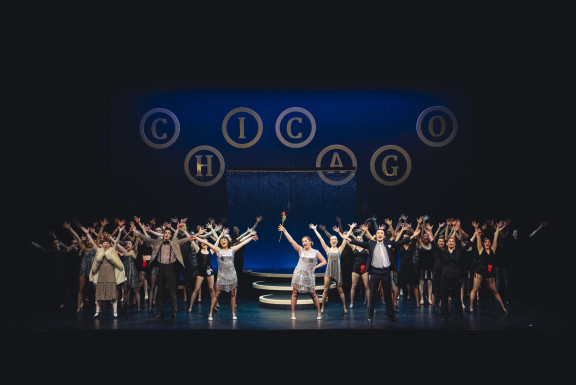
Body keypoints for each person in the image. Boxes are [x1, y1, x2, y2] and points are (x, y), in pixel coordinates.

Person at [340, 223, 418, 323]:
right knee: (373, 295)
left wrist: (412, 236)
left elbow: (399, 242)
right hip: (375, 272)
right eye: (378, 233)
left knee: (388, 295)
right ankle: (370, 316)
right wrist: (348, 238)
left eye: (382, 233)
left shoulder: (388, 243)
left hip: (386, 272)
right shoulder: (371, 244)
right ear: (376, 236)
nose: (380, 234)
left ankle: (391, 315)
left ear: (384, 235)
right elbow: (359, 243)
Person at [192, 228, 258, 320]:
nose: (223, 241)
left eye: (224, 240)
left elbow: (242, 243)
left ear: (228, 242)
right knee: (216, 295)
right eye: (221, 240)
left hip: (232, 276)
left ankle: (233, 313)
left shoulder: (232, 249)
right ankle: (210, 313)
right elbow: (207, 243)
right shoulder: (218, 250)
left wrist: (251, 237)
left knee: (233, 295)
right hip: (222, 276)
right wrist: (196, 238)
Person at [131, 222, 191, 318]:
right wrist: (137, 233)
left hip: (171, 268)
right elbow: (147, 239)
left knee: (172, 290)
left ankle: (174, 311)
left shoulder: (174, 242)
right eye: (165, 233)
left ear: (171, 235)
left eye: (168, 233)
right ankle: (159, 311)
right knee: (160, 291)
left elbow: (186, 239)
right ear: (164, 234)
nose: (167, 234)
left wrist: (195, 235)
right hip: (161, 267)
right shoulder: (157, 241)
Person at [278, 224, 326, 320]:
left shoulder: (316, 252)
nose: (304, 243)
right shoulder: (300, 250)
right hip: (299, 274)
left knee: (313, 293)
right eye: (303, 241)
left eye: (306, 241)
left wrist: (315, 267)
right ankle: (292, 314)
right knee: (295, 293)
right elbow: (292, 241)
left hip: (309, 275)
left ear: (310, 242)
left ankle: (319, 313)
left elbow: (324, 261)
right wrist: (285, 231)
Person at [82, 223, 126, 319]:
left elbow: (116, 242)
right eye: (104, 243)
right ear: (102, 244)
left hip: (110, 274)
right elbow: (93, 243)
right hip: (101, 274)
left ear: (109, 244)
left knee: (113, 295)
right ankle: (97, 312)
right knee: (99, 295)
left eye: (107, 243)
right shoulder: (99, 250)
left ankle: (115, 312)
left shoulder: (112, 250)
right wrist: (88, 234)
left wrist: (119, 232)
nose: (105, 244)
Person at [469, 220, 508, 313]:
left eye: (488, 242)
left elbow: (495, 237)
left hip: (489, 270)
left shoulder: (493, 249)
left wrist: (498, 228)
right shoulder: (480, 249)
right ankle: (470, 307)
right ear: (483, 243)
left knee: (494, 290)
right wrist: (475, 228)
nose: (487, 243)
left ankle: (503, 307)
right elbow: (478, 237)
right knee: (475, 289)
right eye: (485, 242)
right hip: (480, 270)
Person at [310, 223, 351, 314]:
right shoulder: (327, 249)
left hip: (337, 271)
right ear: (330, 241)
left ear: (336, 241)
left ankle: (344, 307)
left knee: (340, 290)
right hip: (329, 271)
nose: (334, 240)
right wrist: (315, 229)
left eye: (335, 239)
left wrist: (351, 229)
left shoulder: (340, 249)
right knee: (326, 290)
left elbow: (345, 239)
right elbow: (321, 239)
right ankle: (323, 307)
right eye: (332, 239)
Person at [63, 221, 97, 313]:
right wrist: (70, 228)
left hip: (92, 270)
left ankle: (98, 306)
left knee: (95, 289)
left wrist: (89, 233)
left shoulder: (95, 248)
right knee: (81, 288)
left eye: (90, 241)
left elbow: (95, 241)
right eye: (88, 241)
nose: (89, 242)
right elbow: (78, 237)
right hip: (83, 269)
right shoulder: (83, 247)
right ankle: (78, 307)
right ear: (86, 242)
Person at [186, 227, 217, 313]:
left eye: (206, 242)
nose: (204, 243)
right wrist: (185, 231)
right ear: (201, 243)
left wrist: (220, 234)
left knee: (211, 288)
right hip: (200, 271)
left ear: (208, 244)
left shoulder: (211, 251)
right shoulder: (198, 250)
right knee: (196, 289)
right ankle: (191, 306)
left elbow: (217, 242)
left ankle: (214, 306)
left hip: (209, 270)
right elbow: (191, 240)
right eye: (203, 242)